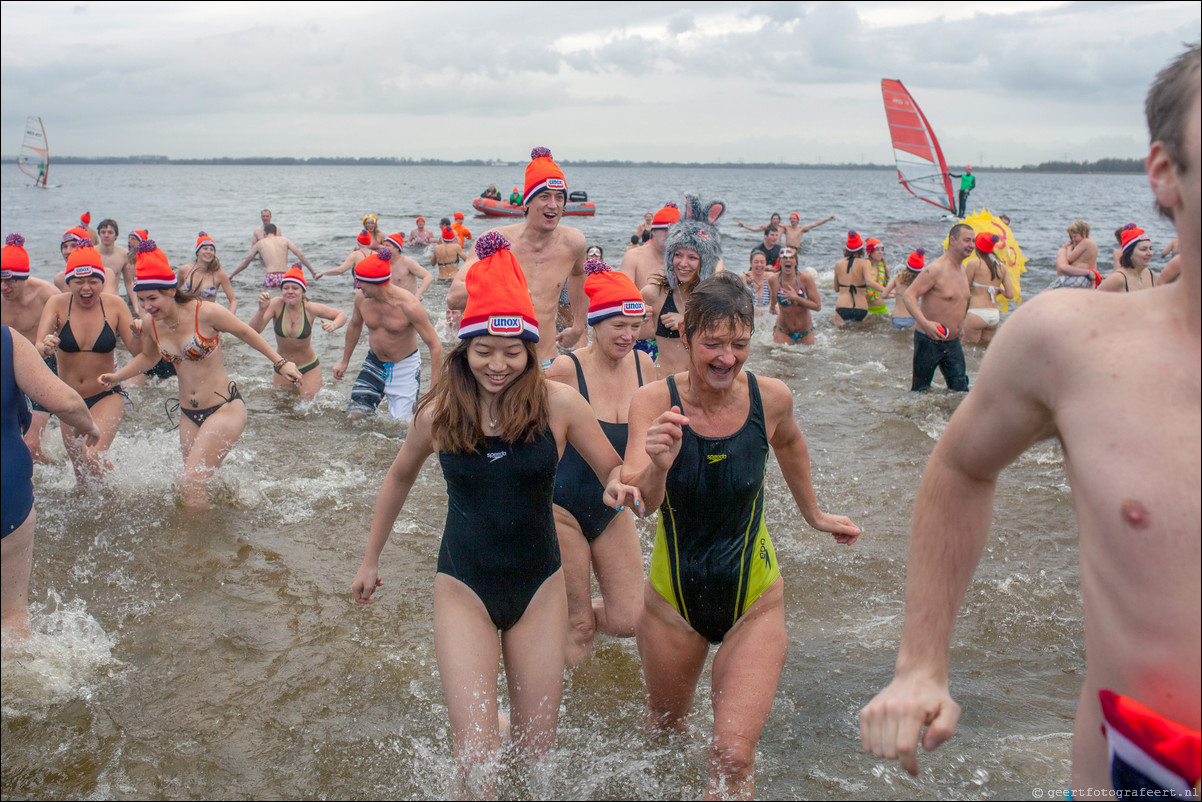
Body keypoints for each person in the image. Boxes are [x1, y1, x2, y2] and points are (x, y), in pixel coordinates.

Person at [861, 44, 1200, 796]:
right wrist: (921, 662)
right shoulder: (1072, 342)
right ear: (1165, 173)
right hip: (1147, 775)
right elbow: (960, 464)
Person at [351, 233, 640, 798]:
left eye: (513, 352)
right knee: (479, 767)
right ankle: (484, 738)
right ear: (464, 350)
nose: (498, 364)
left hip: (540, 588)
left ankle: (502, 728)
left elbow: (612, 467)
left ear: (531, 349)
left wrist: (620, 486)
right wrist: (369, 560)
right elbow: (398, 477)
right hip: (463, 586)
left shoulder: (558, 404)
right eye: (484, 350)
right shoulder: (438, 411)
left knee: (536, 761)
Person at [623, 272, 860, 798]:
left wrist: (815, 516)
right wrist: (658, 464)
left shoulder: (769, 398)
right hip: (671, 603)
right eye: (713, 344)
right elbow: (642, 503)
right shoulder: (651, 402)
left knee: (731, 757)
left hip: (754, 599)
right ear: (685, 339)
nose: (727, 357)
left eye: (739, 343)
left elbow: (791, 445)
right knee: (663, 732)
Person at [99, 240, 303, 508]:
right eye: (141, 299)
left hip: (224, 407)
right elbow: (148, 357)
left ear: (171, 290)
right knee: (196, 483)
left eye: (152, 298)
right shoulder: (151, 323)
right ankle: (223, 519)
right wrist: (117, 377)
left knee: (190, 483)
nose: (146, 306)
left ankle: (198, 547)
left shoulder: (205, 312)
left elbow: (245, 332)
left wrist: (280, 362)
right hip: (189, 414)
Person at [546, 258, 652, 666]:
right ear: (595, 322)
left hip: (614, 506)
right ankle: (567, 718)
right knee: (581, 627)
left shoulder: (644, 366)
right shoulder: (566, 369)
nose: (629, 336)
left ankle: (540, 618)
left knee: (629, 619)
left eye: (636, 325)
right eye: (619, 326)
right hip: (561, 509)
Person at [2, 323, 99, 642]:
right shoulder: (7, 340)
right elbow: (64, 403)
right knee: (12, 613)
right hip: (7, 488)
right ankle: (20, 686)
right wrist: (90, 427)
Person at [448, 147, 589, 366]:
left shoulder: (574, 243)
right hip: (498, 365)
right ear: (527, 202)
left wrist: (579, 326)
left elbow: (580, 276)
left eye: (559, 197)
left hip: (545, 359)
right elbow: (454, 297)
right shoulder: (496, 241)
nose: (553, 204)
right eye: (544, 196)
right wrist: (504, 287)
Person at [34, 241, 138, 486]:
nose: (86, 288)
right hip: (68, 400)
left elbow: (137, 351)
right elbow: (38, 345)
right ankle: (90, 523)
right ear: (68, 282)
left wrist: (143, 332)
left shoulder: (115, 305)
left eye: (93, 281)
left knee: (92, 456)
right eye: (78, 282)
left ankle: (120, 501)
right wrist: (45, 345)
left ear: (102, 281)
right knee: (81, 474)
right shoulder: (57, 304)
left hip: (106, 395)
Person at [333, 248, 442, 422]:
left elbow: (435, 346)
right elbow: (354, 326)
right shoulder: (361, 298)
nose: (357, 285)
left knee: (403, 426)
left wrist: (433, 392)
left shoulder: (409, 306)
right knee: (354, 418)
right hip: (374, 363)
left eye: (360, 281)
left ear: (377, 282)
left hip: (404, 367)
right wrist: (344, 361)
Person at [640, 195, 726, 378]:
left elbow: (728, 338)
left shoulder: (712, 298)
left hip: (702, 388)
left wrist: (688, 320)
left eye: (693, 257)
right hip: (664, 385)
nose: (683, 263)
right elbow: (631, 338)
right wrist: (636, 320)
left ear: (705, 262)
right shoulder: (653, 294)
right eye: (678, 255)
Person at [1, 234, 60, 462]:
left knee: (31, 446)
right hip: (8, 369)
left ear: (23, 277)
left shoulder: (46, 295)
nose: (4, 287)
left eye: (10, 281)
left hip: (41, 366)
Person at [248, 265, 347, 400]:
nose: (290, 291)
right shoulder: (275, 305)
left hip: (309, 367)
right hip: (282, 365)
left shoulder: (310, 308)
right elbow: (254, 330)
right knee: (281, 407)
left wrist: (333, 325)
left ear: (303, 292)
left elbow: (342, 315)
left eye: (295, 288)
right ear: (281, 290)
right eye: (286, 288)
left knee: (309, 407)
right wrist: (261, 310)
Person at [901, 225, 974, 391]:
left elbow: (959, 300)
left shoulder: (962, 268)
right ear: (953, 240)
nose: (971, 245)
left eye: (973, 241)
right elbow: (909, 295)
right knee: (920, 392)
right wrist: (925, 323)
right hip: (929, 341)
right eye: (967, 240)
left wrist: (960, 325)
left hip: (953, 342)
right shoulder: (935, 269)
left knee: (960, 391)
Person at [962, 233, 1016, 345]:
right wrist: (999, 290)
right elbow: (1010, 295)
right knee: (984, 349)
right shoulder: (1001, 267)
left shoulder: (974, 264)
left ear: (977, 247)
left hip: (976, 313)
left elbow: (964, 289)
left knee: (968, 348)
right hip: (994, 315)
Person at [229, 224, 317, 288]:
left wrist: (232, 275)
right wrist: (312, 272)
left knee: (272, 303)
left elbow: (245, 263)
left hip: (271, 276)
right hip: (285, 276)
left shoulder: (260, 243)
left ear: (264, 233)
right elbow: (300, 255)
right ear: (276, 232)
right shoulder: (285, 240)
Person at [768, 246, 820, 344]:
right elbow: (774, 296)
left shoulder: (805, 279)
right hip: (783, 330)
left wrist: (796, 297)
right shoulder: (773, 280)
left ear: (796, 262)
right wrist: (772, 307)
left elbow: (817, 306)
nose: (788, 260)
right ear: (779, 262)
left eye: (791, 257)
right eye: (784, 258)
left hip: (805, 332)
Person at [833, 230, 885, 324]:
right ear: (861, 249)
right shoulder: (865, 263)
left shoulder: (838, 264)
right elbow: (869, 282)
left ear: (847, 249)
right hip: (861, 307)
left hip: (842, 306)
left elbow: (836, 289)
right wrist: (886, 290)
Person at [179, 232, 238, 314]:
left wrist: (230, 319)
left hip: (208, 318)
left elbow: (233, 301)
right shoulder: (184, 270)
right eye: (205, 248)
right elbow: (173, 293)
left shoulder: (219, 274)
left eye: (211, 249)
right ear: (197, 252)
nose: (209, 251)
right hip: (187, 314)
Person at [1098, 226, 1157, 292]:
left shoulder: (1151, 275)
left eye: (1150, 249)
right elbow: (1093, 299)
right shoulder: (1118, 278)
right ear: (1129, 254)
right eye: (1143, 249)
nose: (1150, 253)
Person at [1047, 220, 1100, 289]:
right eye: (1072, 237)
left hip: (1078, 277)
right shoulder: (1092, 244)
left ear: (1083, 233)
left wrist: (1069, 247)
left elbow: (1070, 258)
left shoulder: (1085, 242)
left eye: (1075, 236)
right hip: (1086, 279)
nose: (1073, 239)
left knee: (1049, 291)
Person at [880, 249, 924, 330]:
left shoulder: (898, 277)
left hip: (897, 317)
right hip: (912, 317)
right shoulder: (920, 281)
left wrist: (895, 295)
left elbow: (883, 295)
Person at [95, 219, 130, 307]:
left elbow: (129, 282)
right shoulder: (91, 252)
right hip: (95, 300)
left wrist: (136, 307)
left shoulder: (123, 254)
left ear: (116, 235)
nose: (106, 235)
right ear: (99, 234)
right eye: (103, 232)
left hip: (115, 299)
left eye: (110, 232)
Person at [864, 238, 891, 315]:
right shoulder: (864, 267)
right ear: (870, 252)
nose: (880, 252)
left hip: (881, 308)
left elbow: (882, 293)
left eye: (882, 250)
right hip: (866, 309)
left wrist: (895, 294)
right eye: (877, 250)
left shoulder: (885, 268)